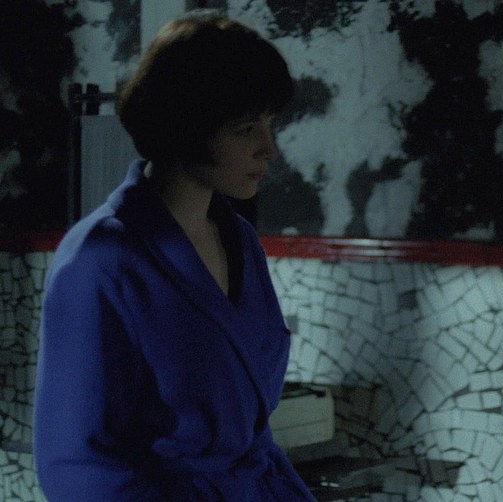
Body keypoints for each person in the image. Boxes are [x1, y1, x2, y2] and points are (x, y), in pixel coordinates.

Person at [33, 11, 316, 501]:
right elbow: (76, 466)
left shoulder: (240, 241)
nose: (269, 149)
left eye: (269, 125)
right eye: (246, 129)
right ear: (189, 127)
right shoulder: (100, 259)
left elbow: (253, 434)